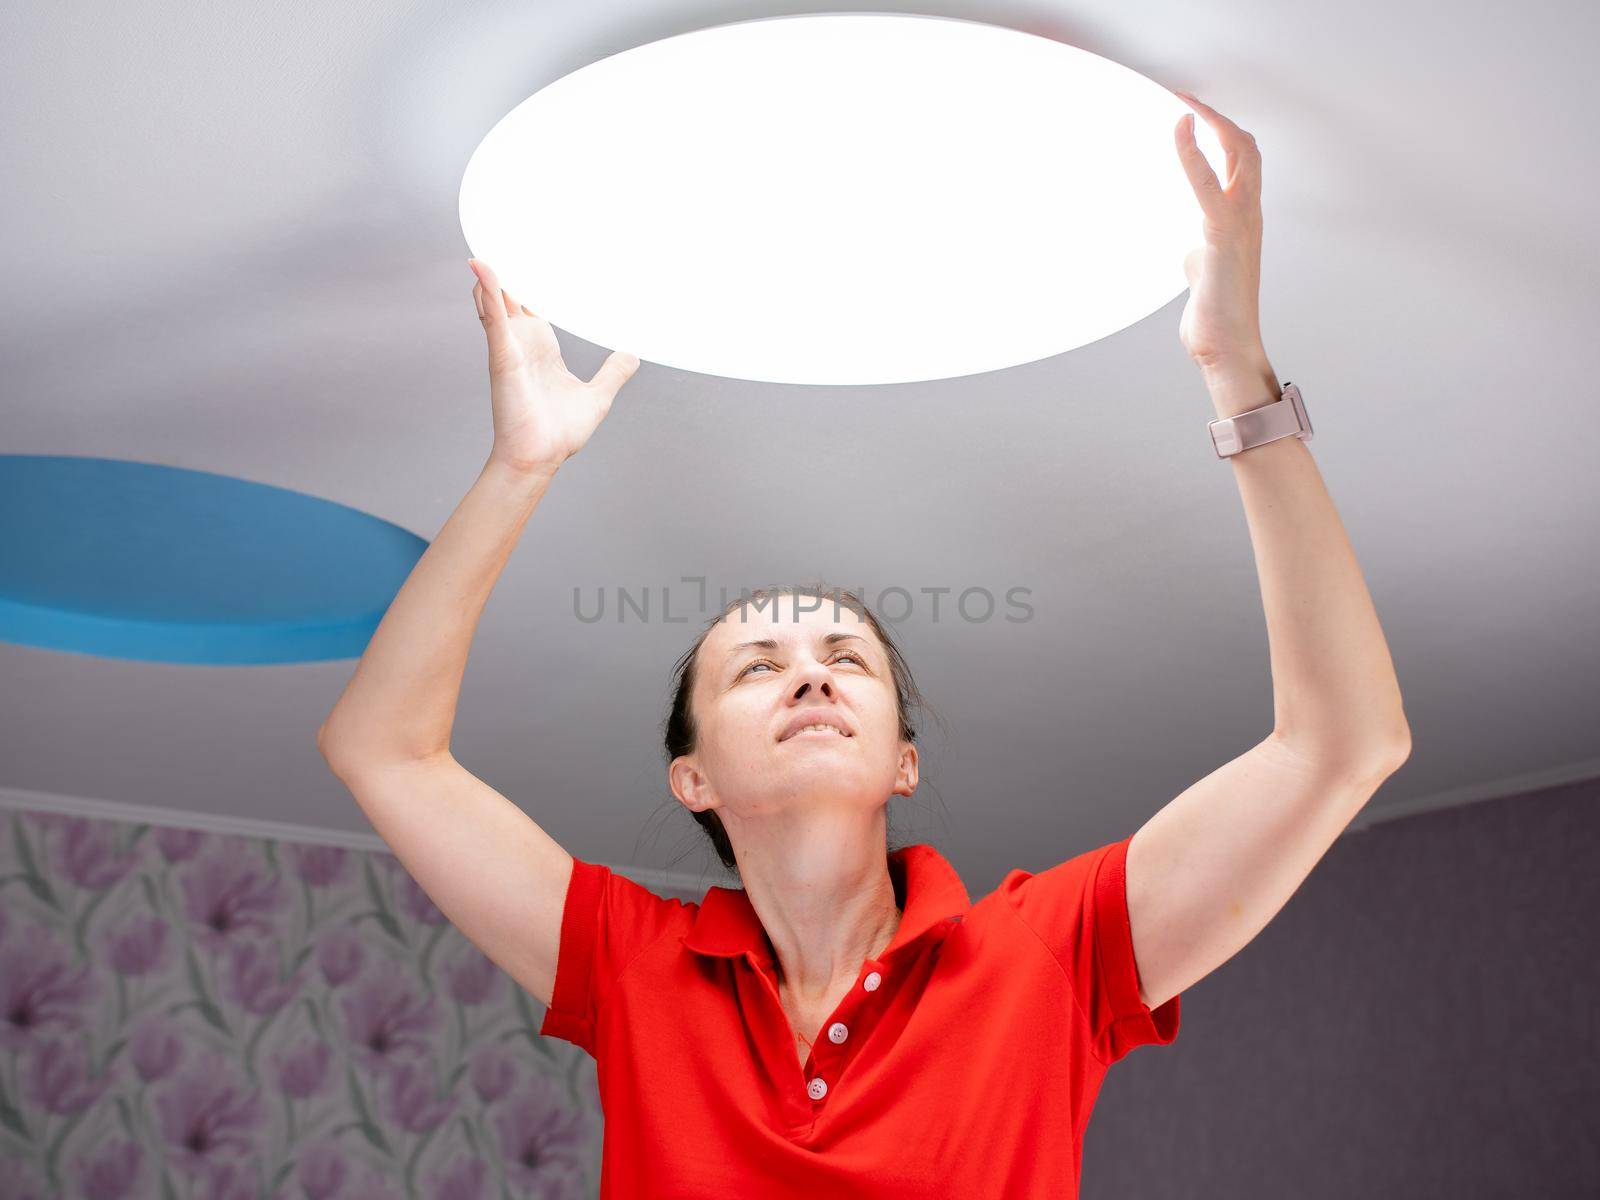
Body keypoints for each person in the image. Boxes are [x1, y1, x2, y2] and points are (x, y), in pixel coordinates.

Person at [318, 92, 1411, 1198]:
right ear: (691, 777)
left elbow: (1341, 744)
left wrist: (1236, 368)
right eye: (757, 666)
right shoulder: (626, 965)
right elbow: (383, 749)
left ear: (904, 761)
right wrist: (521, 466)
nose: (807, 671)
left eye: (847, 660)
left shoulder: (1050, 952)